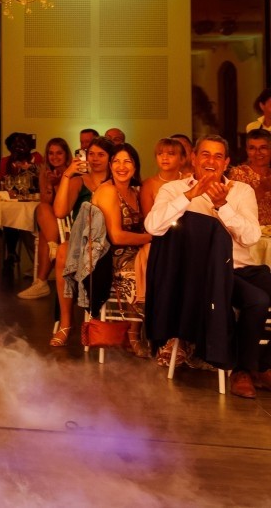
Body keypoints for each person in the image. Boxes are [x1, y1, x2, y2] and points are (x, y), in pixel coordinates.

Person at [145, 136, 270, 400]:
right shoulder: (173, 189)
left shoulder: (241, 191)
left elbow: (250, 238)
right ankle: (243, 371)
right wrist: (190, 196)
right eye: (205, 154)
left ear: (225, 163)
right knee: (257, 301)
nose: (210, 161)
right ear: (194, 158)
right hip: (204, 276)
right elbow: (153, 226)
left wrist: (222, 206)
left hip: (242, 269)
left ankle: (262, 363)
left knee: (261, 291)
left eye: (217, 156)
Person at [50, 136, 113, 346]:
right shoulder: (79, 181)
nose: (95, 159)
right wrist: (68, 174)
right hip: (81, 240)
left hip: (109, 240)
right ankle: (66, 321)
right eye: (91, 153)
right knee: (62, 251)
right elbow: (59, 212)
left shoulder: (116, 180)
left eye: (101, 155)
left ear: (110, 158)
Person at [91, 143, 152, 358]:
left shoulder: (136, 191)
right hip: (108, 256)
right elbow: (115, 236)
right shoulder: (108, 191)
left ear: (135, 166)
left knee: (166, 266)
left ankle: (166, 337)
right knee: (150, 271)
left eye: (127, 161)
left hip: (133, 251)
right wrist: (152, 238)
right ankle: (134, 335)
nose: (121, 166)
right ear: (110, 165)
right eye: (116, 161)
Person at [18, 137, 72, 299]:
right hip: (55, 219)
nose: (54, 157)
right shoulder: (45, 171)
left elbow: (67, 204)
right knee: (42, 208)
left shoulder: (73, 172)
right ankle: (53, 248)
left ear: (66, 154)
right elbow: (46, 201)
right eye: (51, 153)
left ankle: (41, 283)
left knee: (44, 234)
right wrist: (49, 184)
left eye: (59, 153)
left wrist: (58, 183)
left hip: (69, 216)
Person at [228, 128, 271, 230]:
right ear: (247, 150)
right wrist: (262, 189)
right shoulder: (238, 173)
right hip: (250, 233)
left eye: (263, 148)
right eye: (252, 148)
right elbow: (236, 207)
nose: (258, 153)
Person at [140, 137, 185, 217]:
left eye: (171, 153)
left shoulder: (188, 181)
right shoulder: (148, 184)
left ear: (182, 159)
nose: (164, 158)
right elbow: (149, 219)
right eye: (160, 154)